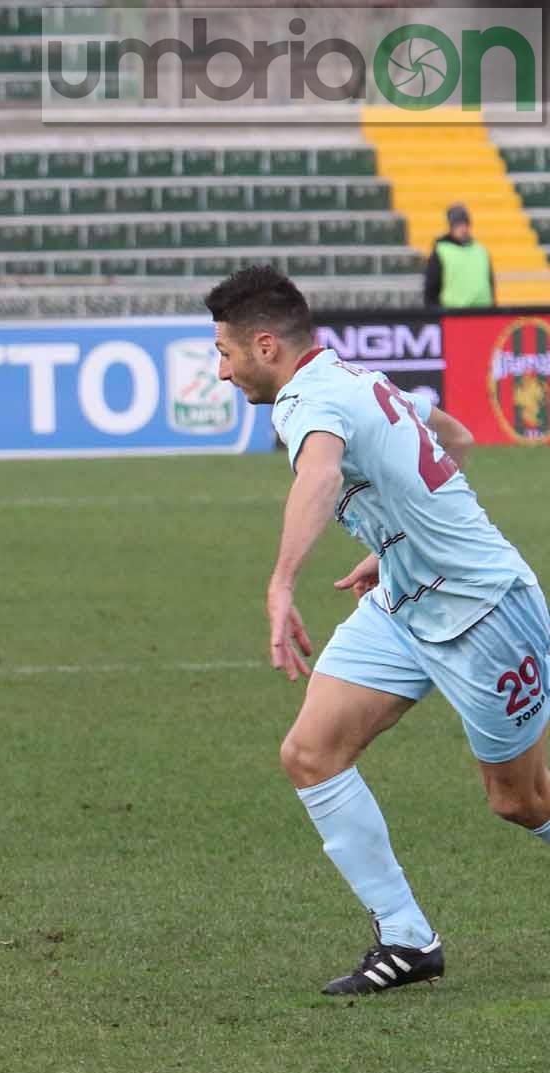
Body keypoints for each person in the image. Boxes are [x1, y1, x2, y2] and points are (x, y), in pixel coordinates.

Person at [207, 264, 549, 996]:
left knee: (521, 803)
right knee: (310, 753)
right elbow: (452, 437)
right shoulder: (359, 377)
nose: (222, 371)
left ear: (266, 345)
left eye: (226, 353)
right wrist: (393, 541)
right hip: (404, 602)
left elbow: (322, 475)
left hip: (486, 612)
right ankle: (406, 938)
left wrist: (281, 582)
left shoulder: (303, 401)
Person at [423, 203, 496, 309]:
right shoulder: (441, 251)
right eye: (457, 225)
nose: (462, 229)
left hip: (483, 312)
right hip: (454, 313)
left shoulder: (481, 251)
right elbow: (431, 288)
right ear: (451, 227)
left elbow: (490, 284)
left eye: (465, 224)